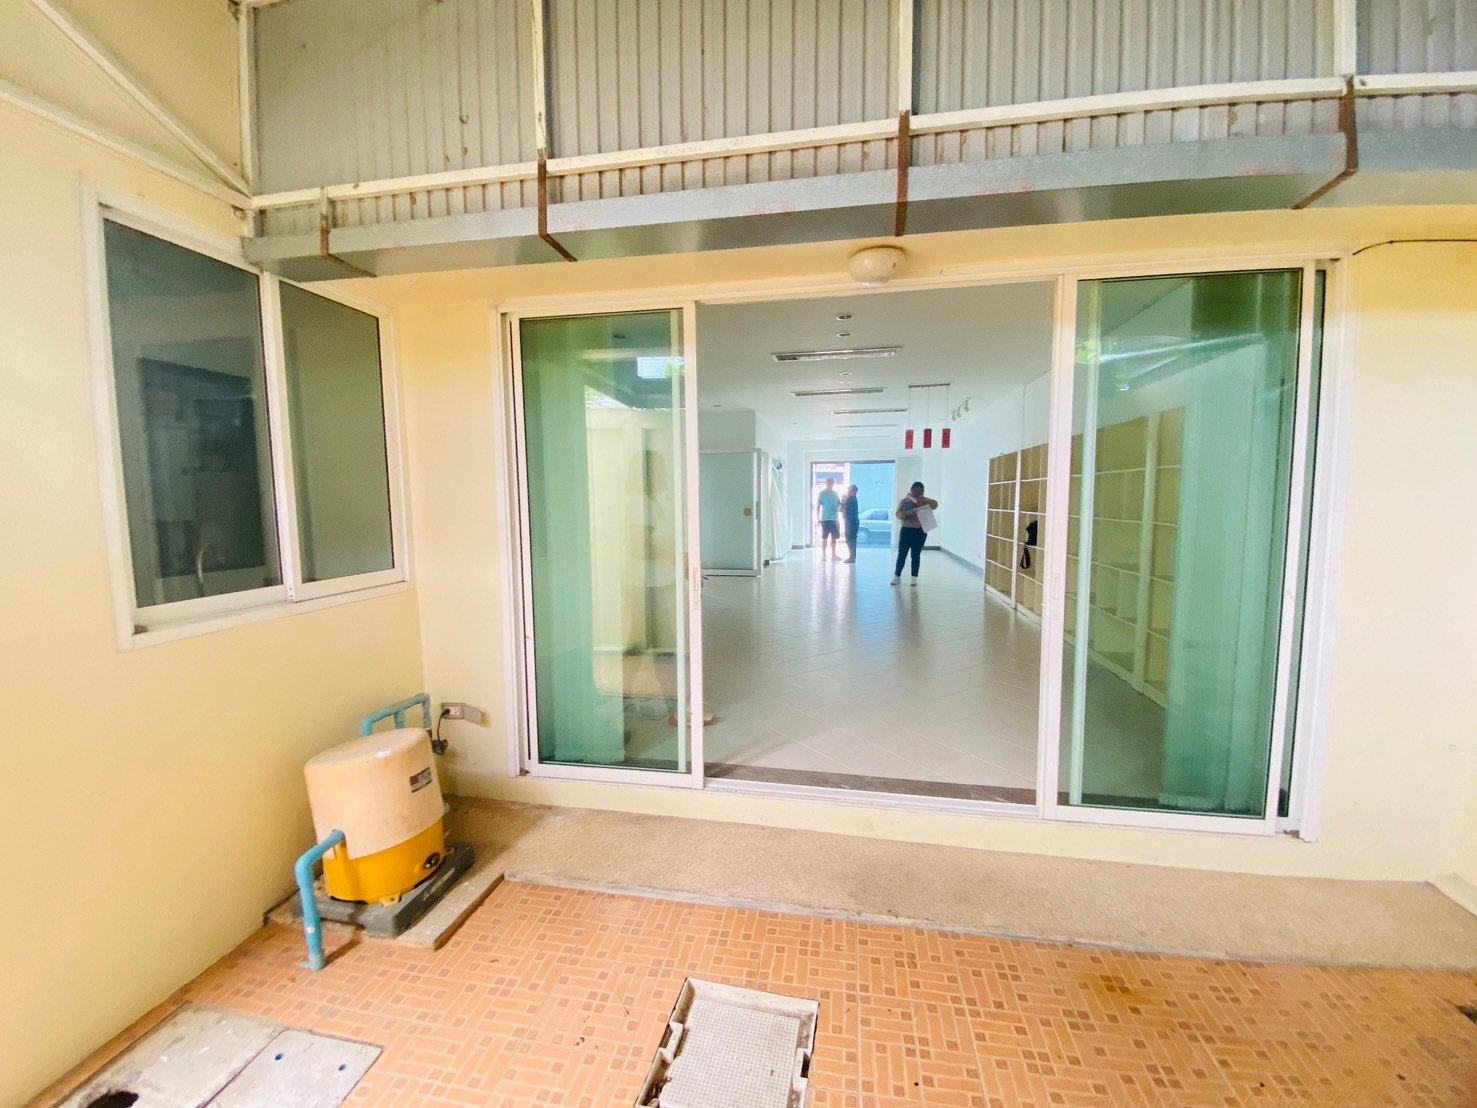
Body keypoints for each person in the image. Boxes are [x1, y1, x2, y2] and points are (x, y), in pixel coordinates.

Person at [892, 481, 938, 585]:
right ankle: (897, 576)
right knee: (902, 554)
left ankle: (914, 578)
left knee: (916, 555)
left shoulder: (925, 502)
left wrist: (925, 499)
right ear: (911, 490)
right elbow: (898, 514)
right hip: (906, 530)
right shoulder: (904, 501)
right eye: (916, 492)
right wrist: (909, 512)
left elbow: (935, 505)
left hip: (920, 531)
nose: (918, 494)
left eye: (920, 492)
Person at [816, 477, 842, 560]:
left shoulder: (836, 493)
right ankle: (823, 555)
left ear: (833, 483)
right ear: (826, 483)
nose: (830, 484)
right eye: (828, 482)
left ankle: (833, 555)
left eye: (831, 482)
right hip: (825, 519)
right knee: (824, 538)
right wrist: (818, 518)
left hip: (834, 519)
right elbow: (818, 507)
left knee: (834, 538)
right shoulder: (821, 493)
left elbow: (840, 504)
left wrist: (842, 507)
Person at [841, 484, 860, 563]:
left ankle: (852, 557)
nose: (847, 491)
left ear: (853, 491)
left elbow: (845, 510)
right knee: (850, 539)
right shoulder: (851, 499)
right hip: (850, 522)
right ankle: (852, 556)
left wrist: (843, 502)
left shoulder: (851, 500)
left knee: (851, 540)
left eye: (849, 489)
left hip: (851, 523)